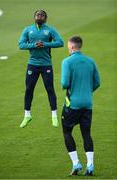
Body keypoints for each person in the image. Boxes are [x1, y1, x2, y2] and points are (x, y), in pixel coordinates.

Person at [61, 36, 100, 176]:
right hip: (87, 104)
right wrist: (86, 91)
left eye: (68, 46)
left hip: (73, 105)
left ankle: (76, 163)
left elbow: (65, 83)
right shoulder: (91, 61)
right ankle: (90, 165)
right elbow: (97, 82)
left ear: (72, 47)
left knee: (67, 132)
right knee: (86, 134)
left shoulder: (67, 62)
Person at [19, 10, 64, 128]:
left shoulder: (50, 30)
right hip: (32, 64)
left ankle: (54, 116)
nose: (39, 16)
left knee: (50, 89)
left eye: (42, 15)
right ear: (34, 17)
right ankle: (27, 115)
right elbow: (21, 45)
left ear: (46, 18)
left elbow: (60, 42)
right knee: (29, 89)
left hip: (46, 64)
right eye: (37, 15)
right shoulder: (28, 30)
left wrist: (45, 44)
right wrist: (34, 45)